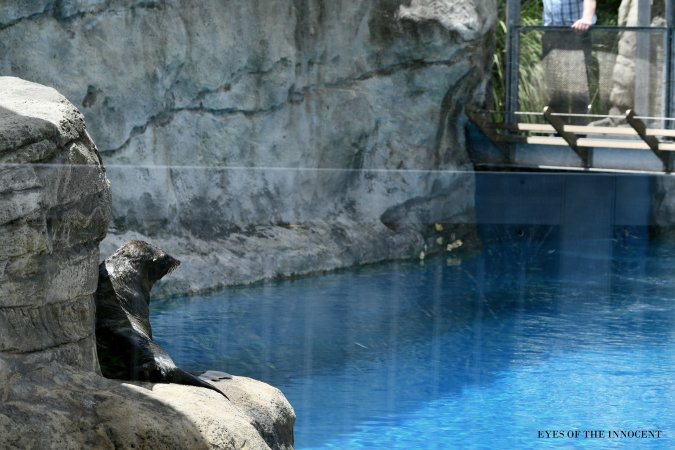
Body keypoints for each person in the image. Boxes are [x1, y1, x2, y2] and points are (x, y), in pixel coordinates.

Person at [541, 0, 597, 124]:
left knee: (578, 86)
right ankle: (557, 128)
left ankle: (578, 130)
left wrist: (586, 19)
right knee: (554, 86)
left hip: (577, 32)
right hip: (551, 35)